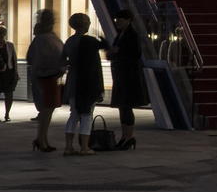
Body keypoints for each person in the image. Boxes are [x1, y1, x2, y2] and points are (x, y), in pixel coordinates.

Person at [61, 12, 106, 156]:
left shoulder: (69, 41)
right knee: (87, 114)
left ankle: (68, 147)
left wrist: (71, 63)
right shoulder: (89, 41)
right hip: (87, 81)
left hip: (73, 79)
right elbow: (104, 46)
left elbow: (62, 60)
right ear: (85, 24)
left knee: (73, 113)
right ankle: (85, 147)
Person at [106, 9, 146, 150]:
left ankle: (129, 136)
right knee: (123, 106)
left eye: (120, 19)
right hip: (120, 74)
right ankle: (125, 136)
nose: (117, 22)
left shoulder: (132, 35)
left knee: (126, 106)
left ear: (128, 20)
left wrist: (118, 52)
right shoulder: (120, 35)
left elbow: (136, 54)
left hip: (129, 76)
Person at [27, 9, 63, 153]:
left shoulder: (46, 37)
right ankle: (41, 139)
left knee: (48, 110)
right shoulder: (45, 38)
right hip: (47, 76)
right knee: (47, 110)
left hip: (50, 76)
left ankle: (43, 138)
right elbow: (38, 59)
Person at [0, 25, 18, 121]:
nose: (0, 35)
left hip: (8, 72)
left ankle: (7, 114)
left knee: (9, 93)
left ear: (5, 34)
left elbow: (14, 59)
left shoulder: (10, 45)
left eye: (2, 33)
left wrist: (16, 72)